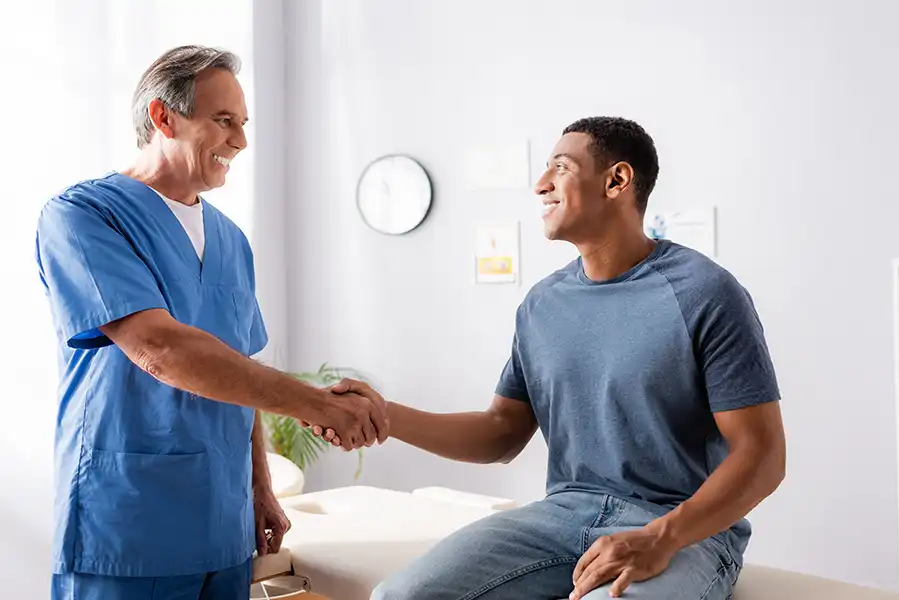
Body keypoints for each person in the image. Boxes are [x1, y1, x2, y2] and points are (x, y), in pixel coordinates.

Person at [324, 116, 786, 599]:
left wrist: (661, 536)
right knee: (398, 597)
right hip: (562, 516)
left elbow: (763, 455)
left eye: (560, 168)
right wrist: (384, 416)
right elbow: (500, 433)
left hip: (683, 529)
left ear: (616, 181)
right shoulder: (543, 305)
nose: (540, 184)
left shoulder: (704, 292)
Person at [35, 45, 388, 600]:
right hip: (127, 521)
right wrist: (317, 404)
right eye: (223, 121)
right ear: (162, 117)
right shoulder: (84, 216)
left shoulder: (231, 240)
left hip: (223, 524)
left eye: (243, 124)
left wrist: (259, 486)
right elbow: (161, 349)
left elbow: (238, 367)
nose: (240, 141)